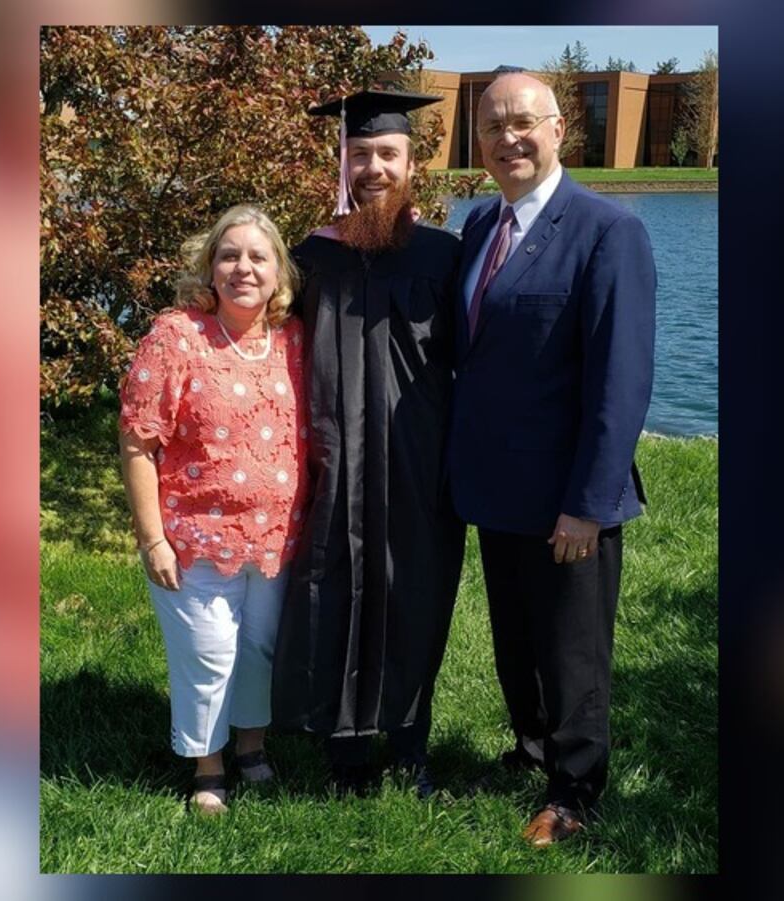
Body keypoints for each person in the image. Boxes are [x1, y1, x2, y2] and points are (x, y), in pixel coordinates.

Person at [448, 72, 656, 846]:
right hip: (498, 489)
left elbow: (621, 379)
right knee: (517, 643)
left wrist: (589, 501)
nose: (508, 139)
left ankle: (574, 788)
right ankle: (530, 748)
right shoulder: (478, 227)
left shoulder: (607, 231)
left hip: (569, 495)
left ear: (560, 128)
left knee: (572, 652)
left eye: (523, 123)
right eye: (493, 127)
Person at [271, 89, 467, 797]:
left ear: (413, 162)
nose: (374, 167)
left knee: (415, 594)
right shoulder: (308, 257)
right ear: (344, 163)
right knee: (336, 589)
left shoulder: (448, 255)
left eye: (388, 153)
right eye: (361, 155)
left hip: (419, 460)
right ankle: (344, 752)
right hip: (333, 458)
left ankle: (410, 746)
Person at [118, 204, 309, 815]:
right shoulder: (177, 336)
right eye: (230, 256)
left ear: (279, 273)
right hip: (193, 537)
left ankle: (251, 747)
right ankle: (207, 766)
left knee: (258, 648)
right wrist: (152, 539)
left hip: (279, 539)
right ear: (209, 267)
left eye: (258, 257)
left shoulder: (294, 340)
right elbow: (138, 441)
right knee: (208, 652)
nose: (243, 268)